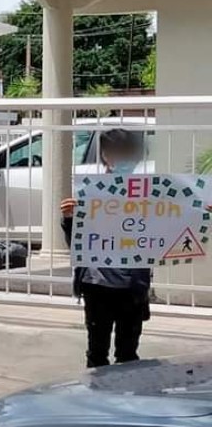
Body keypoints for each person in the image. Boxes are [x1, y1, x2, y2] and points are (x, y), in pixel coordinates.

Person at [61, 128, 151, 368]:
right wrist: (70, 218)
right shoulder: (90, 193)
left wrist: (198, 216)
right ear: (105, 156)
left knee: (128, 354)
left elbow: (167, 230)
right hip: (97, 284)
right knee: (97, 353)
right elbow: (76, 243)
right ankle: (97, 401)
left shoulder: (149, 195)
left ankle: (124, 400)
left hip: (132, 286)